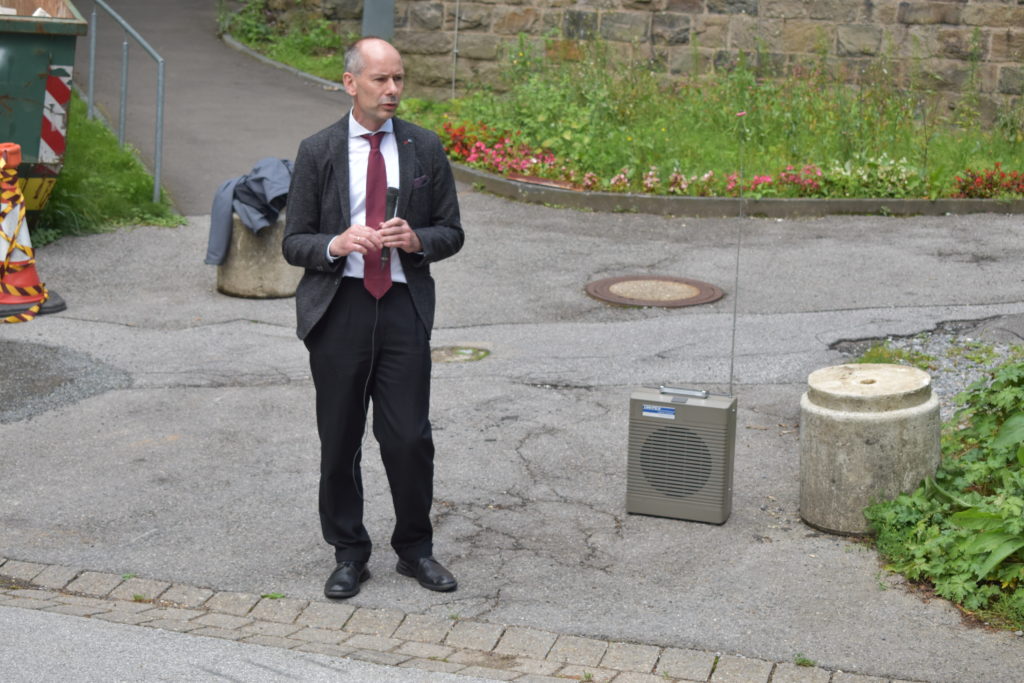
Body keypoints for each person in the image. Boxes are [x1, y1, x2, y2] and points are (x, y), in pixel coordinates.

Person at [282, 37, 464, 600]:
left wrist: (416, 239)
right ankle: (349, 553)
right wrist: (335, 244)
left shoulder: (424, 147)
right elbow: (294, 242)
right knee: (339, 439)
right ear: (350, 83)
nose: (392, 90)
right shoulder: (319, 150)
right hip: (340, 308)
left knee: (409, 438)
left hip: (403, 306)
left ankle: (415, 550)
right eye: (381, 80)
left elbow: (451, 232)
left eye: (399, 79)